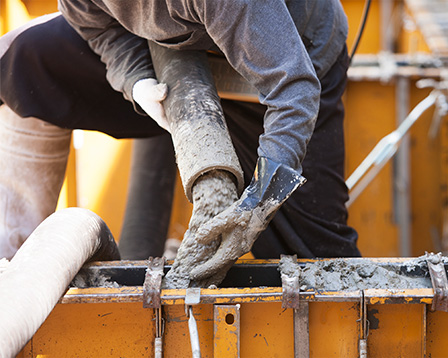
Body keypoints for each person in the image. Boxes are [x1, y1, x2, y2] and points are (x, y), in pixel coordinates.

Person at [0, 1, 361, 285]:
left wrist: (260, 201)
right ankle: (15, 268)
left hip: (271, 74)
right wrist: (136, 80)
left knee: (318, 261)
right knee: (22, 61)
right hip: (165, 60)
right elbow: (96, 24)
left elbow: (292, 87)